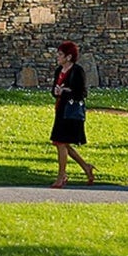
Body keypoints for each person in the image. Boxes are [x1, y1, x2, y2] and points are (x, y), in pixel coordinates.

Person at [49, 39, 94, 188]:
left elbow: (81, 93)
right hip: (60, 109)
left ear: (68, 57)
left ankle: (62, 176)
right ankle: (86, 167)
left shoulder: (77, 71)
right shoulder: (58, 71)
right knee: (61, 143)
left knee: (61, 142)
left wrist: (66, 92)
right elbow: (54, 90)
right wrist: (56, 92)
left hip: (71, 112)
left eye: (60, 54)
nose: (57, 57)